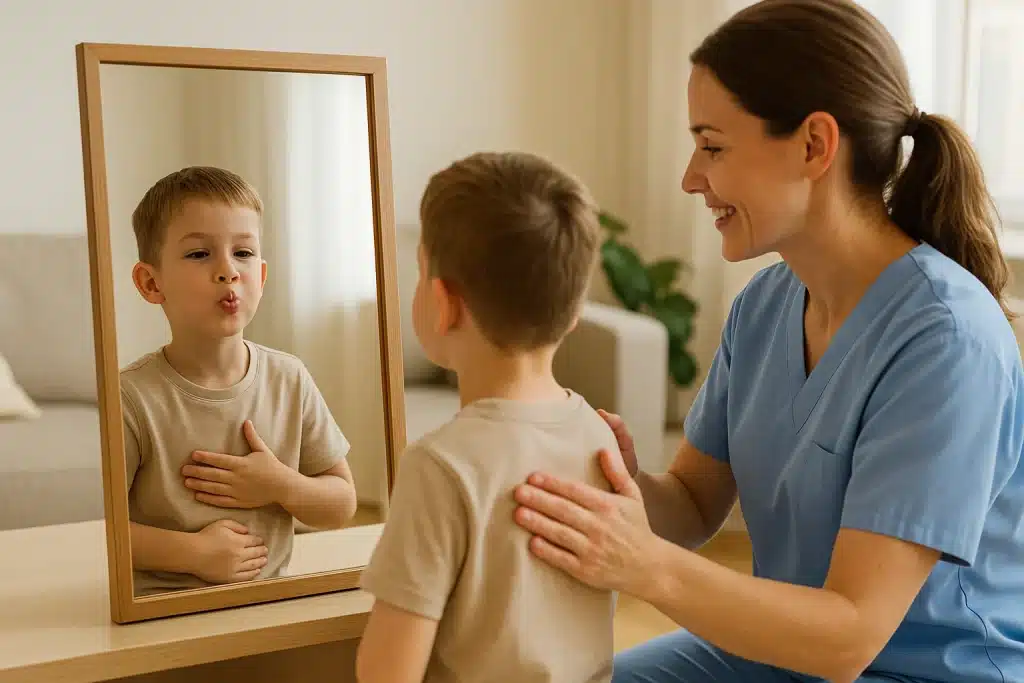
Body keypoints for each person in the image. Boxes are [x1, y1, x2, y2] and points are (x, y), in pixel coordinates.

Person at [510, 1, 1024, 682]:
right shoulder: (765, 305)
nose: (692, 177)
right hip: (779, 654)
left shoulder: (946, 339)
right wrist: (623, 483)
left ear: (815, 144)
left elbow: (849, 637)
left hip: (916, 670)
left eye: (713, 146)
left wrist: (643, 563)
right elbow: (692, 507)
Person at [355, 151, 621, 683]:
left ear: (443, 303)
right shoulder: (599, 437)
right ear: (572, 314)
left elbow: (389, 673)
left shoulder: (439, 465)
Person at [121, 166, 358, 596]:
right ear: (151, 283)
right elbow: (102, 532)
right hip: (158, 612)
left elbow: (342, 505)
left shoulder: (290, 378)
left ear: (261, 278)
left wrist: (279, 484)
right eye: (199, 254)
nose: (228, 271)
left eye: (243, 253)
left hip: (266, 604)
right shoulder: (132, 397)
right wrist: (193, 553)